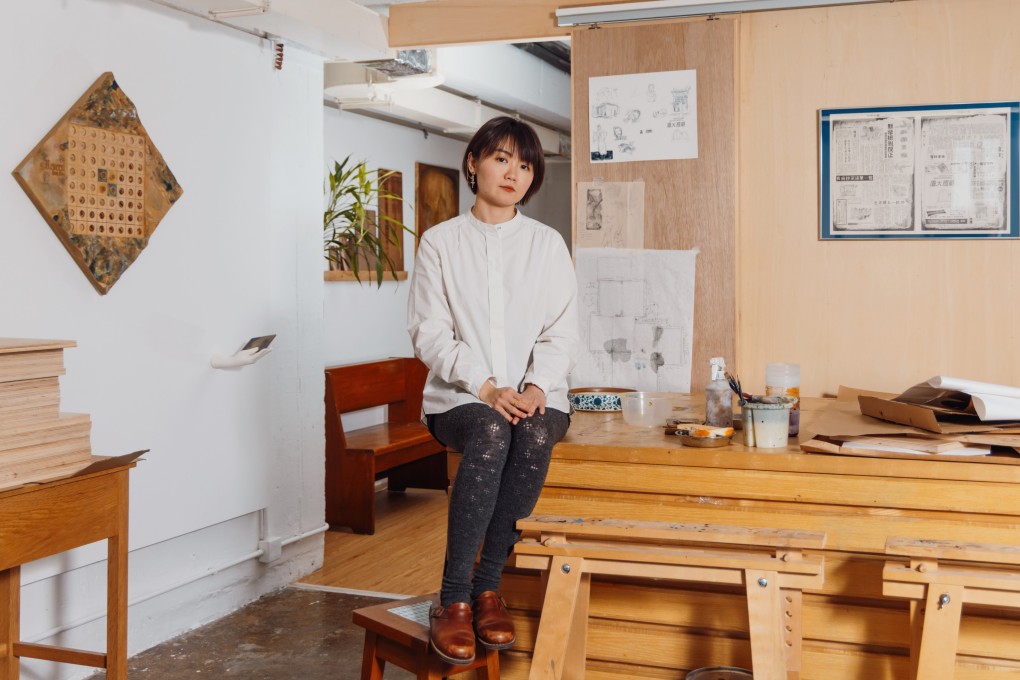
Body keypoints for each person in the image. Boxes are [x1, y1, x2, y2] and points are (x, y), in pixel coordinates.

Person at [407, 116, 578, 666]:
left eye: (526, 165)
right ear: (474, 160)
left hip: (539, 397)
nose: (514, 173)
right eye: (502, 158)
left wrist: (533, 386)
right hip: (459, 399)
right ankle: (453, 598)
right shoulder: (440, 243)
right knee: (487, 429)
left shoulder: (547, 245)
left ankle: (486, 588)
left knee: (528, 432)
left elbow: (562, 329)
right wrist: (484, 386)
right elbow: (429, 332)